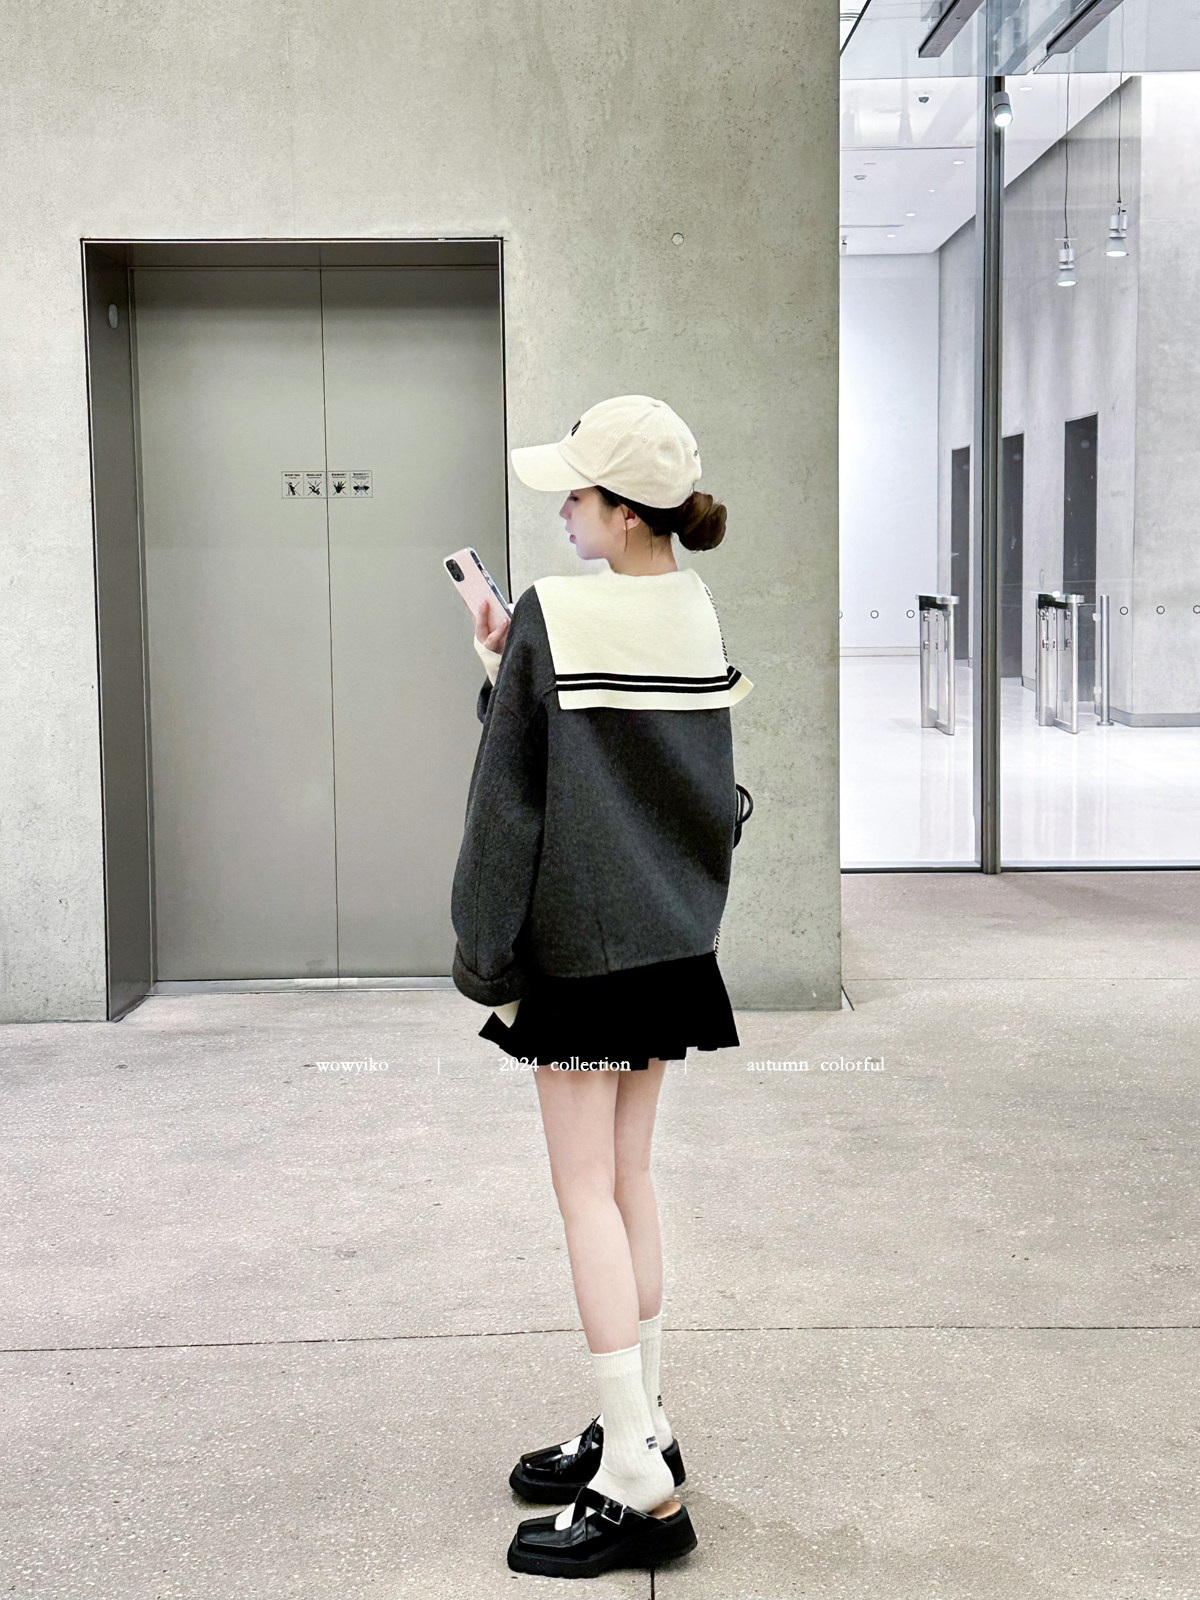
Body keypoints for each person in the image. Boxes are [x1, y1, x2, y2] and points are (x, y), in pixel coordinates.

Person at [450, 394, 754, 1580]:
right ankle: (644, 1421)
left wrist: (485, 958)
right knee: (629, 1180)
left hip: (580, 959)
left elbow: (509, 801)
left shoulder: (553, 613)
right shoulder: (695, 607)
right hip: (673, 946)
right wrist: (508, 655)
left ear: (625, 511)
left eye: (576, 495)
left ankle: (636, 1478)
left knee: (584, 1192)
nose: (564, 513)